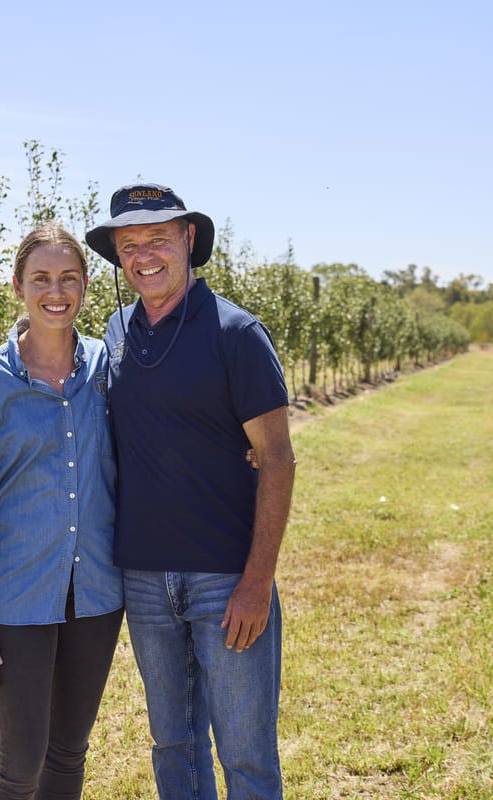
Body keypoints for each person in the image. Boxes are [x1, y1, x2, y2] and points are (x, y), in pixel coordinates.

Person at [86, 184, 296, 800]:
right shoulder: (116, 332)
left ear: (188, 240)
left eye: (157, 239)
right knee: (173, 745)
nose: (144, 256)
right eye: (129, 245)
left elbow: (278, 459)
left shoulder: (236, 333)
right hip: (144, 578)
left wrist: (257, 581)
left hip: (225, 578)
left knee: (246, 752)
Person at [0, 222, 124, 800]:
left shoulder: (108, 368)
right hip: (17, 595)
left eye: (68, 278)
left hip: (97, 591)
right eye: (41, 277)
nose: (56, 290)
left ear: (86, 285)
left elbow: (164, 430)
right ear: (19, 284)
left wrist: (239, 447)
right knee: (20, 762)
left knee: (68, 754)